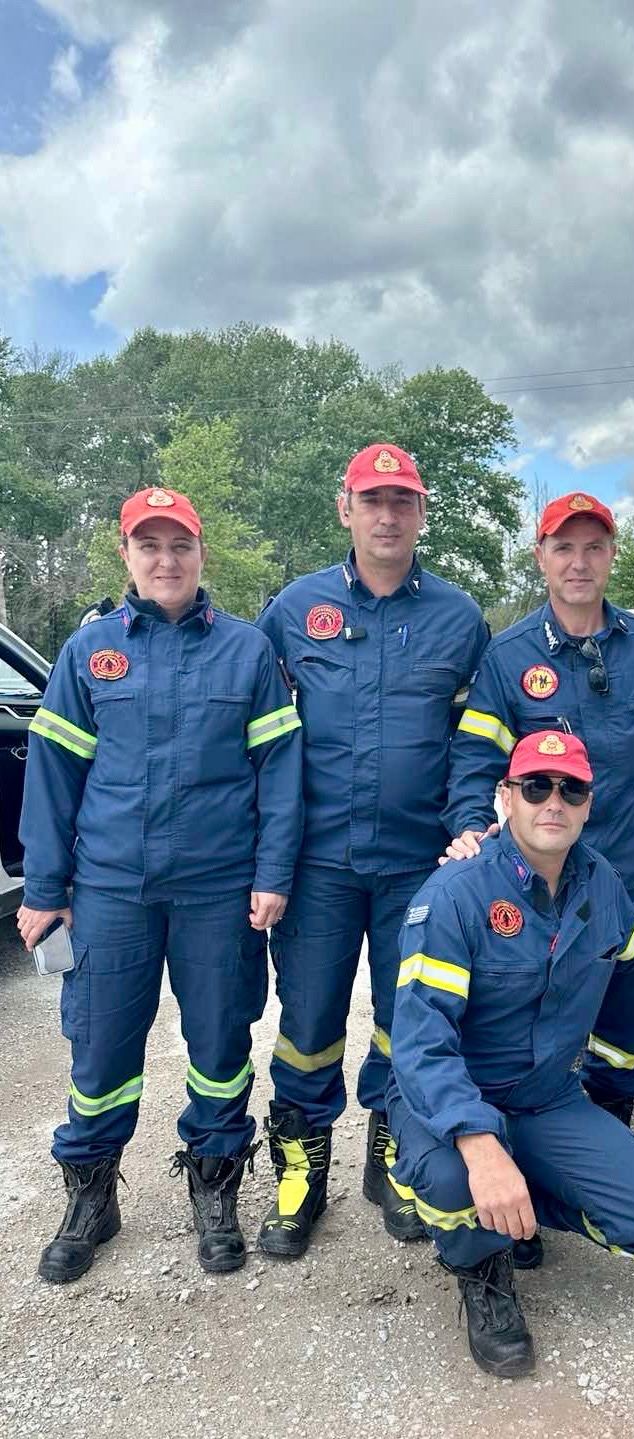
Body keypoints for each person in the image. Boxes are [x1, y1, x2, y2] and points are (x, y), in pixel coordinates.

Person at [388, 729, 634, 1377]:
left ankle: (514, 1209)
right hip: (451, 1104)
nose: (553, 800)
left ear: (588, 804)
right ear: (507, 797)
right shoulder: (454, 895)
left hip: (544, 1099)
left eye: (571, 789)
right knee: (452, 1179)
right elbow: (422, 1044)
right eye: (536, 786)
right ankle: (481, 1266)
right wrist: (479, 1146)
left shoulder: (598, 883)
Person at [17, 486, 303, 1282]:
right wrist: (45, 886)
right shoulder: (90, 652)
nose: (166, 559)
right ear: (127, 555)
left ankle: (215, 1189)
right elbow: (53, 774)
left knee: (219, 1045)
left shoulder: (247, 651)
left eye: (180, 544)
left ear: (201, 553)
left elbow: (280, 772)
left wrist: (273, 872)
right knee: (100, 1048)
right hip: (111, 888)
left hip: (219, 889)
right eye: (150, 545)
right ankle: (90, 1196)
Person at [445, 491, 634, 1131]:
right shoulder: (508, 656)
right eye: (564, 548)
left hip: (630, 871)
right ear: (541, 557)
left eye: (593, 548)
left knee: (623, 1030)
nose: (578, 563)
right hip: (538, 880)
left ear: (612, 555)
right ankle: (520, 1147)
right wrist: (471, 826)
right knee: (525, 1023)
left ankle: (610, 1132)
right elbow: (475, 758)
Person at [255, 442, 488, 1254]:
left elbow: (475, 743)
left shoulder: (459, 618)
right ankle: (300, 1173)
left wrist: (470, 822)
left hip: (419, 867)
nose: (387, 515)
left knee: (408, 1021)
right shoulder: (294, 609)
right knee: (307, 1021)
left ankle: (394, 1159)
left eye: (402, 501)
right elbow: (257, 734)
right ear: (344, 509)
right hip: (316, 863)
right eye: (372, 500)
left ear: (421, 513)